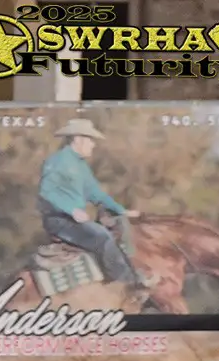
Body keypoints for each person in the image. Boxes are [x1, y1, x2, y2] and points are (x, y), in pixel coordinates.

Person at [37, 118, 156, 289]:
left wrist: (121, 211)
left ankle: (131, 272)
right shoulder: (57, 161)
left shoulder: (80, 165)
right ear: (78, 139)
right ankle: (125, 284)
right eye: (90, 140)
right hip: (59, 221)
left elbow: (96, 194)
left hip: (73, 220)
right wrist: (72, 210)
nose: (93, 145)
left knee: (121, 226)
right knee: (102, 236)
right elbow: (46, 192)